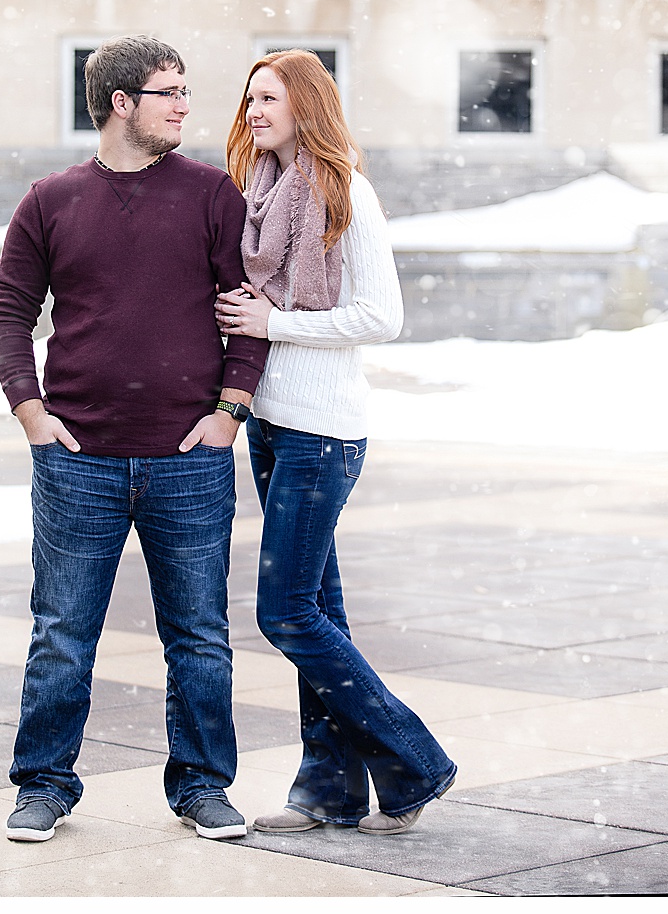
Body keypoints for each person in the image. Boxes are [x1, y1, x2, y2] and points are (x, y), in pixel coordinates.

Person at [0, 35, 268, 844]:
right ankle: (42, 785)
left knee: (201, 637)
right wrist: (30, 412)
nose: (185, 105)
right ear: (121, 103)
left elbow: (245, 311)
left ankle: (204, 787)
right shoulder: (50, 200)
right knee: (63, 636)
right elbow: (9, 314)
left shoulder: (215, 196)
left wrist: (230, 411)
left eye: (185, 90)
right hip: (79, 461)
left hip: (191, 458)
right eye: (168, 91)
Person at [215, 48, 457, 835]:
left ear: (306, 105)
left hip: (324, 434)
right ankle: (330, 789)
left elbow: (381, 316)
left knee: (284, 612)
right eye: (250, 97)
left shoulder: (345, 190)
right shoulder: (260, 192)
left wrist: (273, 323)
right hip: (277, 426)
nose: (255, 111)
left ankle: (415, 760)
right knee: (319, 611)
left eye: (271, 98)